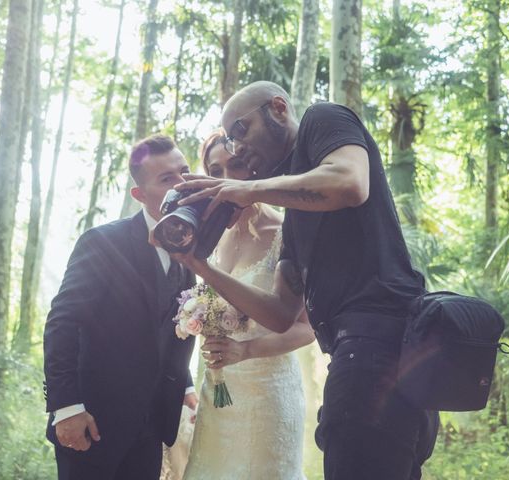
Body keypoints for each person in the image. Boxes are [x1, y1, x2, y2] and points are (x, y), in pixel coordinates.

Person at [172, 82, 439, 479]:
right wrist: (203, 267)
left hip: (384, 344)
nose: (236, 146)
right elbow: (281, 313)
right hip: (350, 356)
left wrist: (247, 189)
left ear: (278, 108)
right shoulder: (294, 216)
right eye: (229, 138)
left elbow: (350, 182)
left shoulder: (323, 119)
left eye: (241, 130)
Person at [43, 134, 199, 480]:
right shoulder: (102, 242)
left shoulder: (188, 253)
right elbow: (62, 322)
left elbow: (167, 327)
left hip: (151, 428)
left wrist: (185, 385)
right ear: (139, 195)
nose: (182, 184)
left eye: (184, 172)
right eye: (167, 179)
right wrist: (66, 408)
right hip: (93, 423)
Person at [180, 131, 315, 480]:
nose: (226, 178)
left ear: (254, 171)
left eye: (236, 165)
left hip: (267, 394)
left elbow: (306, 328)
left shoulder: (286, 232)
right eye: (215, 169)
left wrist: (247, 349)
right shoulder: (208, 234)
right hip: (218, 391)